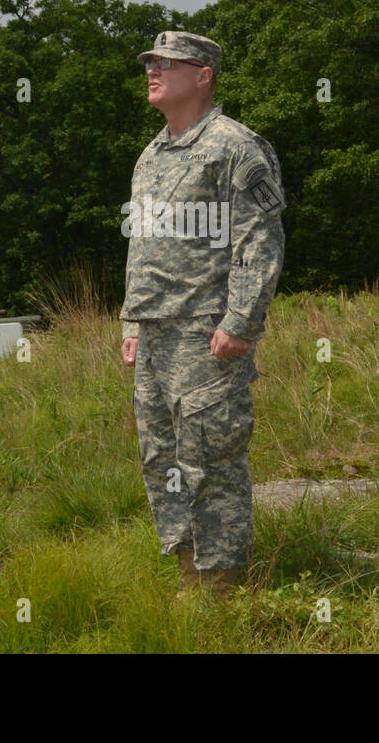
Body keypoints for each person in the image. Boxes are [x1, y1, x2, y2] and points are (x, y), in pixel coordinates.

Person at [120, 31, 285, 597]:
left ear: (204, 75)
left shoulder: (235, 146)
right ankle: (189, 571)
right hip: (155, 334)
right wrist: (131, 322)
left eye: (167, 63)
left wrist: (240, 322)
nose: (152, 70)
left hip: (205, 334)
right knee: (161, 458)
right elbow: (141, 246)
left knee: (211, 459)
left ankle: (223, 586)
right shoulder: (152, 154)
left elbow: (260, 241)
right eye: (150, 62)